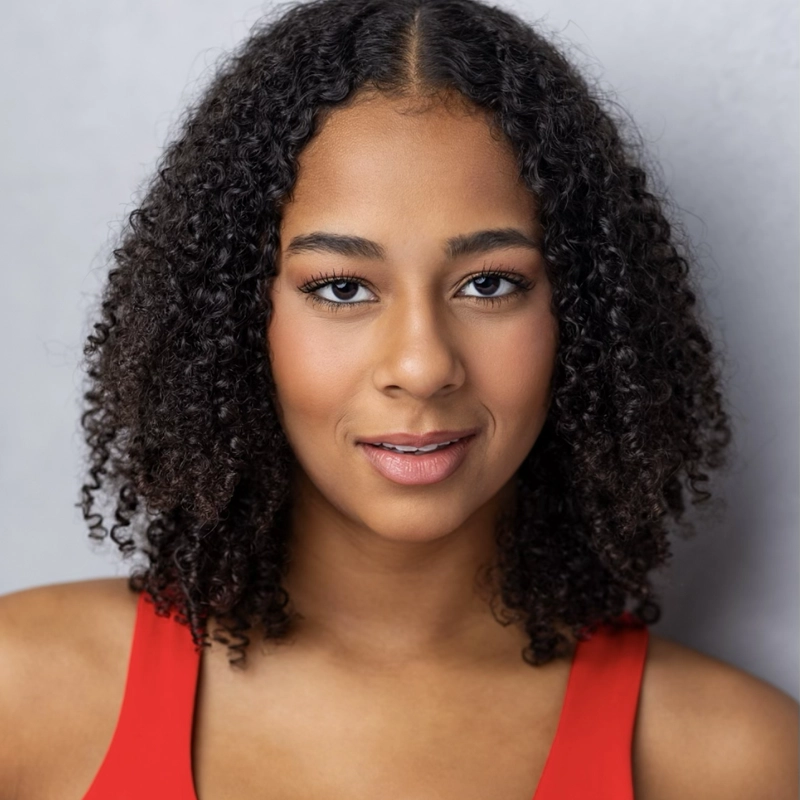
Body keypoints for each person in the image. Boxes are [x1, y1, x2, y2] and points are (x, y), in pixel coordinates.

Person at [0, 0, 797, 797]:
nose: (421, 365)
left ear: (584, 317)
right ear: (235, 317)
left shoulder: (731, 761)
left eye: (490, 284)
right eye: (343, 288)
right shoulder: (25, 693)